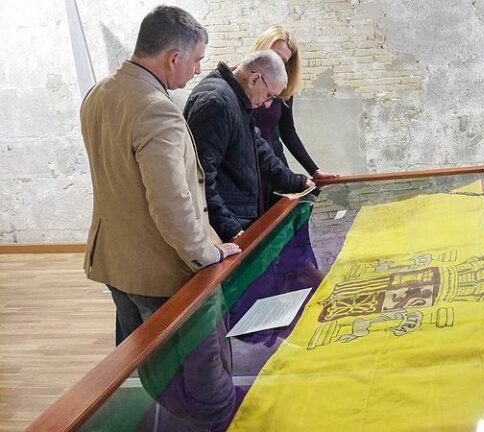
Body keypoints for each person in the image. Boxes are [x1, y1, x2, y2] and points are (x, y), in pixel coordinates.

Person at [80, 6, 240, 428]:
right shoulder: (157, 108)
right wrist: (208, 255)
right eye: (196, 59)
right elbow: (171, 203)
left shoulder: (99, 93)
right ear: (173, 57)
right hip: (164, 273)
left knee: (153, 371)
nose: (198, 68)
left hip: (118, 264)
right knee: (208, 388)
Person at [184, 50, 314, 242]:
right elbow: (201, 178)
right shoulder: (217, 102)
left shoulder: (235, 97)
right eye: (269, 95)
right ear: (254, 79)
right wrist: (232, 230)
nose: (268, 104)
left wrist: (296, 181)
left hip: (238, 215)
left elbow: (259, 149)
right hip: (227, 223)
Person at [250, 26, 339, 206]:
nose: (277, 63)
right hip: (249, 169)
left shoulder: (283, 88)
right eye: (272, 54)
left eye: (283, 60)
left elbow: (288, 132)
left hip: (275, 166)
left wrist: (313, 170)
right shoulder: (240, 82)